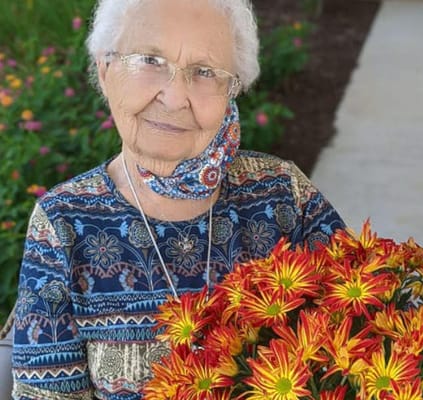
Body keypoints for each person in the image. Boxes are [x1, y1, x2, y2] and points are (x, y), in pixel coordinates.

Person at [11, 0, 345, 398]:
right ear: (105, 70)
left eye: (204, 72)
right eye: (150, 60)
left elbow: (361, 339)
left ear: (231, 91)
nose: (174, 97)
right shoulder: (62, 224)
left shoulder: (283, 195)